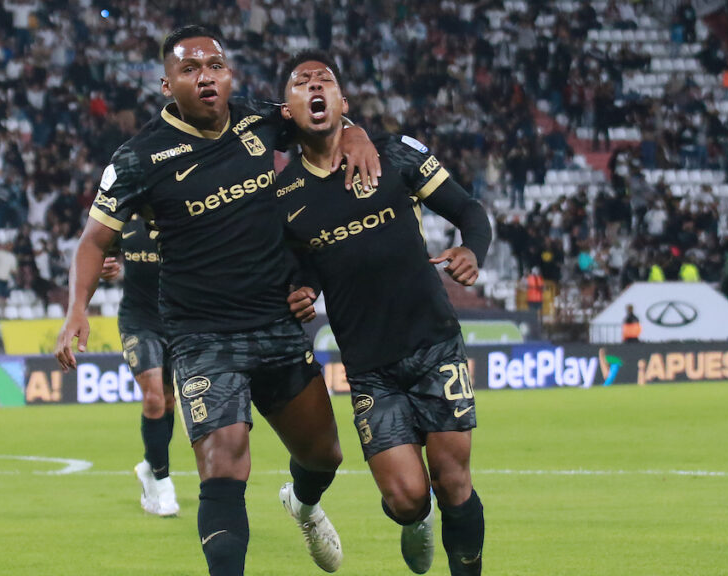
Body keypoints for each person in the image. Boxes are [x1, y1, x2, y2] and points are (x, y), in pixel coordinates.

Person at [55, 26, 381, 576]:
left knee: (324, 455)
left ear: (229, 74)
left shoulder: (259, 119)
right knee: (224, 469)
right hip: (202, 337)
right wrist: (76, 310)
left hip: (275, 324)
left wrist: (356, 133)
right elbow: (94, 239)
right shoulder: (138, 159)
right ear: (167, 84)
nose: (206, 76)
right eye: (190, 68)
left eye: (215, 65)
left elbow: (319, 115)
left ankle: (302, 503)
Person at [277, 51, 492, 575]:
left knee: (453, 481)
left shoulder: (395, 154)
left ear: (343, 103)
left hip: (434, 343)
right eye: (301, 82)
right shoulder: (284, 198)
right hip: (371, 365)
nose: (314, 85)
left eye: (324, 78)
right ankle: (416, 521)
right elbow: (300, 272)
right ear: (287, 109)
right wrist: (301, 291)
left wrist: (472, 251)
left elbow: (469, 210)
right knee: (407, 498)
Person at [117, 215, 180, 517]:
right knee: (154, 396)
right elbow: (95, 247)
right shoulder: (121, 217)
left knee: (168, 400)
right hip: (137, 322)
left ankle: (149, 468)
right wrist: (107, 266)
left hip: (175, 319)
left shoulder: (179, 212)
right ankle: (163, 483)